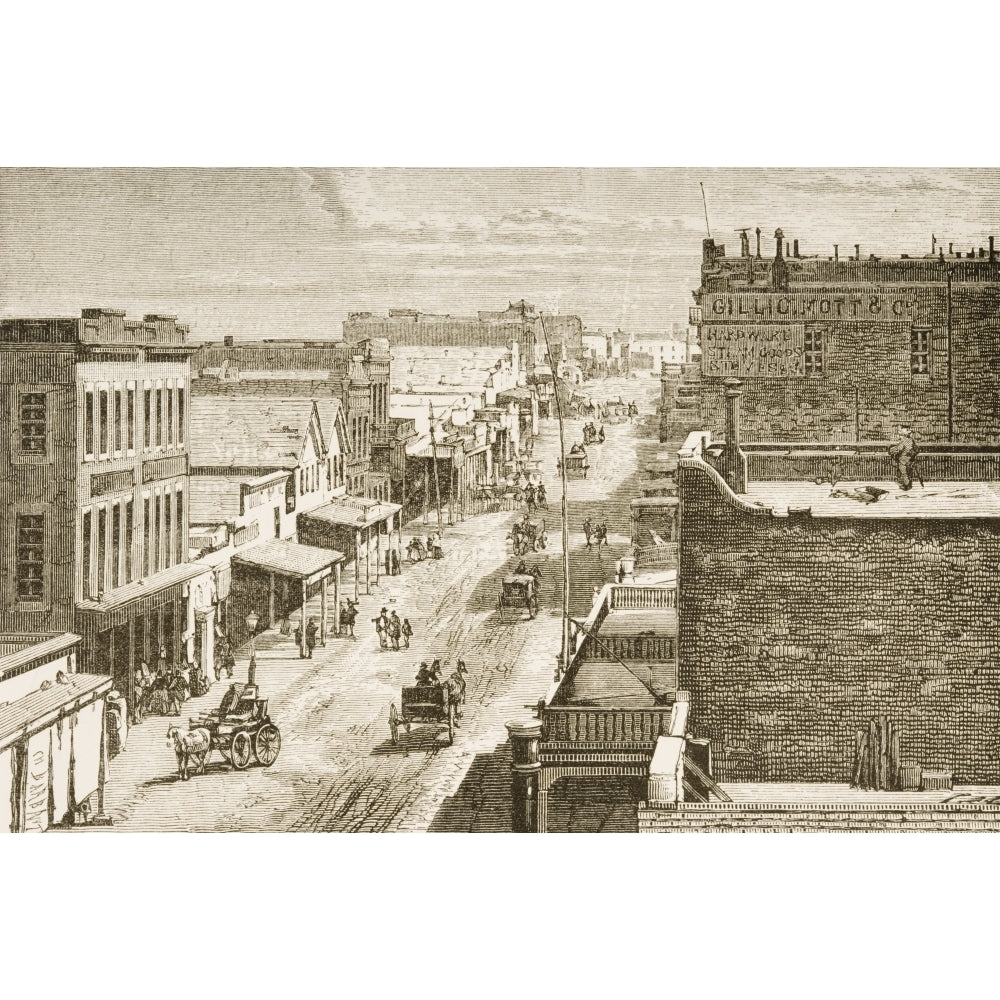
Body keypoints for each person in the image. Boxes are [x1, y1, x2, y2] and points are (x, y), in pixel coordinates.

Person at [889, 426, 918, 491]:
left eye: (900, 434)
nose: (899, 436)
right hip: (910, 458)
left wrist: (891, 450)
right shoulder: (911, 440)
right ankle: (908, 484)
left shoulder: (904, 441)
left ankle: (907, 486)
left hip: (904, 458)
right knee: (908, 472)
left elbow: (899, 449)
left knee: (904, 472)